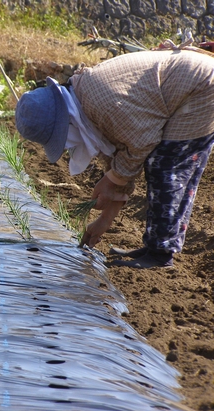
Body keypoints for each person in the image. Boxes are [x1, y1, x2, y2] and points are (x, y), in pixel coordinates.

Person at [15, 48, 214, 269]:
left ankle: (160, 254)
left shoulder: (102, 107)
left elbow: (141, 145)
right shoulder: (85, 105)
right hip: (187, 88)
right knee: (162, 165)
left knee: (166, 165)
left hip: (200, 87)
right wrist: (104, 220)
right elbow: (120, 159)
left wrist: (111, 180)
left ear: (65, 123)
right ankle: (155, 246)